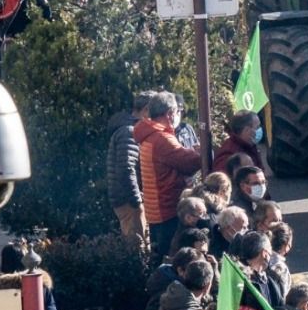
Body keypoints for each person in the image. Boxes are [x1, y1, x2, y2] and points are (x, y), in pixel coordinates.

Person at [136, 92, 203, 265]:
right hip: (167, 209)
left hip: (155, 209)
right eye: (177, 111)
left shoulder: (148, 134)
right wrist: (200, 152)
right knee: (172, 260)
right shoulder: (162, 139)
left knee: (160, 257)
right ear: (170, 114)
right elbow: (188, 162)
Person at [108, 89, 156, 247]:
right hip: (129, 201)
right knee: (139, 248)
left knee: (140, 245)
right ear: (146, 110)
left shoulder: (130, 130)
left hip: (130, 198)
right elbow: (126, 168)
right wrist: (137, 201)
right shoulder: (130, 132)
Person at [214, 110, 267, 177]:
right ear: (247, 130)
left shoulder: (250, 146)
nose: (260, 130)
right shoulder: (229, 153)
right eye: (257, 127)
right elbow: (223, 182)